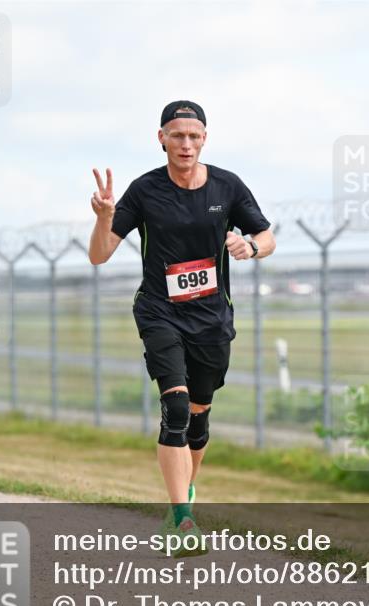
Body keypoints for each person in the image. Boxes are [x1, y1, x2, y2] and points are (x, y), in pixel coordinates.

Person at [87, 100, 275, 542]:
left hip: (211, 318)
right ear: (162, 140)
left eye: (193, 136)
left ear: (204, 139)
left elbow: (266, 236)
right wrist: (104, 218)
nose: (185, 143)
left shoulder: (228, 187)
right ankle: (182, 520)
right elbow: (99, 255)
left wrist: (252, 246)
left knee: (197, 419)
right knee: (173, 408)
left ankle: (185, 495)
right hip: (159, 310)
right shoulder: (145, 190)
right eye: (177, 135)